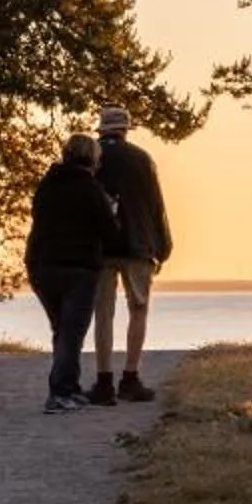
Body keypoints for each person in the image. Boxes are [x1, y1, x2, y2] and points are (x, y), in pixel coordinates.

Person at [23, 132, 121, 414]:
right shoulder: (91, 189)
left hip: (41, 265)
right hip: (78, 268)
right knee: (71, 332)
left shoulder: (47, 185)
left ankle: (69, 386)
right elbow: (110, 233)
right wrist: (113, 212)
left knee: (61, 329)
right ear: (93, 159)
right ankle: (60, 393)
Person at [88, 103, 173, 405]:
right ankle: (130, 376)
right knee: (138, 309)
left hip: (101, 247)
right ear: (125, 130)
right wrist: (163, 246)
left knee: (103, 314)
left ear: (102, 129)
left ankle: (103, 380)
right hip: (138, 245)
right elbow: (156, 206)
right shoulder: (142, 159)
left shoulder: (92, 157)